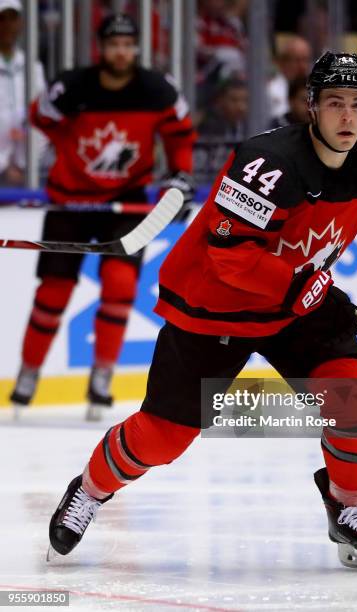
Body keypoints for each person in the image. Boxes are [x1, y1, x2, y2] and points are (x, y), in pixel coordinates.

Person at [47, 53, 357, 570]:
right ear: (311, 106)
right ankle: (89, 490)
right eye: (335, 103)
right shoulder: (266, 163)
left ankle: (347, 510)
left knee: (356, 408)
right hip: (215, 306)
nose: (347, 117)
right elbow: (229, 257)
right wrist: (295, 285)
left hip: (298, 302)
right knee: (163, 438)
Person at [9, 13, 196, 421]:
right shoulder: (73, 85)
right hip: (70, 202)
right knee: (52, 293)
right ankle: (28, 374)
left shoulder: (157, 89)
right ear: (101, 48)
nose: (121, 52)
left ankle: (102, 376)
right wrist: (70, 156)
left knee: (120, 284)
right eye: (114, 45)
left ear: (135, 48)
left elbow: (180, 134)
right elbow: (42, 117)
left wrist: (179, 176)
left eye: (128, 44)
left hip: (124, 202)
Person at [0, 0, 46, 186]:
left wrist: (26, 164)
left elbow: (43, 120)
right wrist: (3, 166)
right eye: (2, 19)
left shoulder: (33, 67)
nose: (8, 25)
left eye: (13, 18)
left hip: (28, 172)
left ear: (21, 23)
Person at [195, 78, 248, 183]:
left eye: (245, 100)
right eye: (234, 100)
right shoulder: (207, 126)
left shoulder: (247, 125)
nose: (241, 107)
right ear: (220, 100)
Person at [268, 34, 312, 119]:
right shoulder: (270, 91)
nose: (303, 66)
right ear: (282, 62)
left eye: (305, 60)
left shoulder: (316, 90)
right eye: (297, 60)